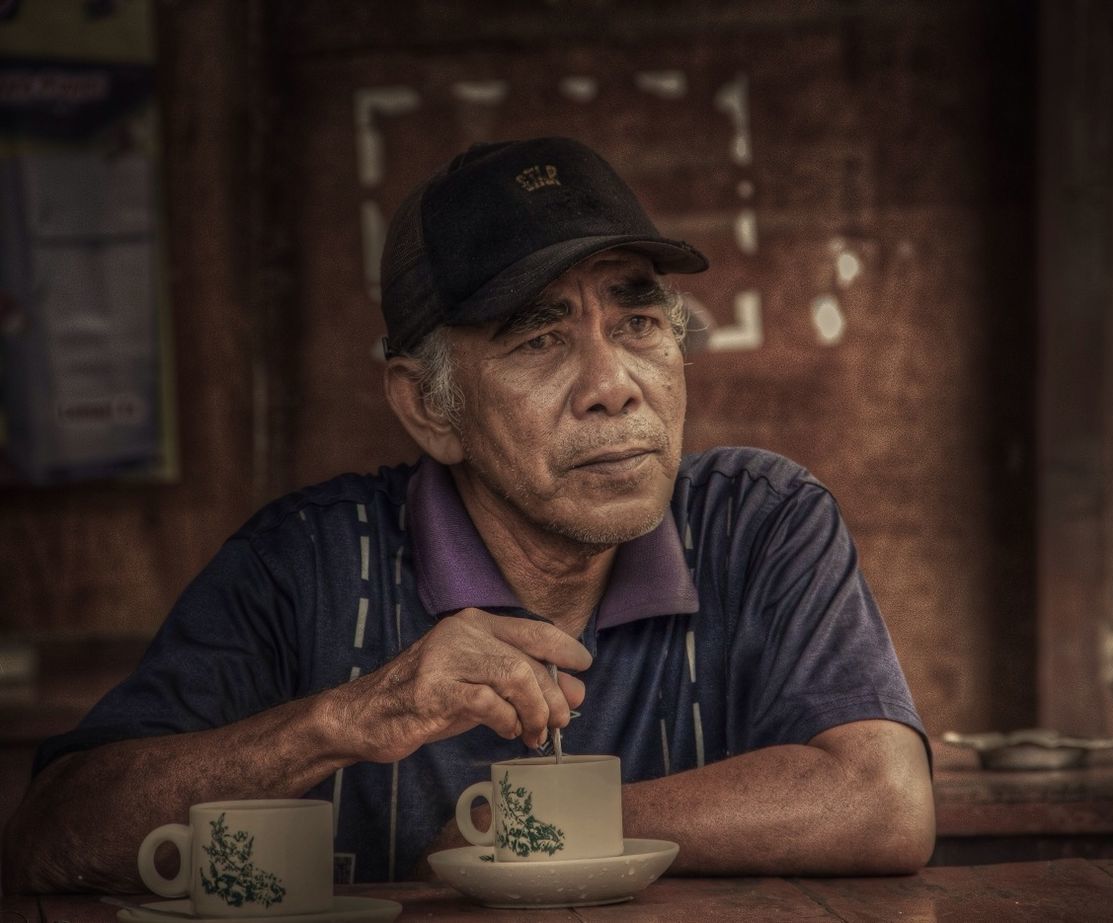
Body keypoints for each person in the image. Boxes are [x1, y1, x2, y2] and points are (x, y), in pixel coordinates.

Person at [3, 137, 934, 891]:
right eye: (539, 338)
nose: (614, 386)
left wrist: (513, 828)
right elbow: (53, 832)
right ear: (428, 407)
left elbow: (883, 797)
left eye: (639, 323)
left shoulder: (760, 523)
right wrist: (346, 719)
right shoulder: (307, 564)